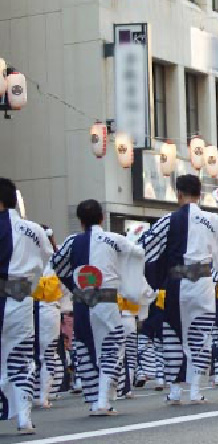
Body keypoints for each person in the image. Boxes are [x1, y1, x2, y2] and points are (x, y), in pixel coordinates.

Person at [139, 174, 218, 405]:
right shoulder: (213, 219)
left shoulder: (168, 219)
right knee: (202, 335)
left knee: (173, 335)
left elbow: (145, 245)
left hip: (177, 283)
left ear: (178, 194)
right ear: (201, 195)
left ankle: (175, 391)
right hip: (204, 282)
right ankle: (196, 391)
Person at [53, 199, 146, 416]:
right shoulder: (115, 239)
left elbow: (57, 263)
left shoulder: (72, 241)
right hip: (107, 300)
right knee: (111, 350)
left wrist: (74, 283)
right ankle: (104, 399)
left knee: (85, 348)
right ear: (102, 217)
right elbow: (138, 254)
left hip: (82, 300)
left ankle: (95, 399)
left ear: (80, 221)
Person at [0, 178, 52, 434]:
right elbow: (45, 260)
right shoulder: (34, 229)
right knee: (21, 360)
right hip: (21, 297)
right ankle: (24, 418)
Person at [31, 227, 64, 409]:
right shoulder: (55, 260)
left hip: (45, 307)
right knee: (43, 354)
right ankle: (41, 395)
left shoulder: (54, 260)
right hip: (42, 308)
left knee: (43, 354)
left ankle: (42, 394)